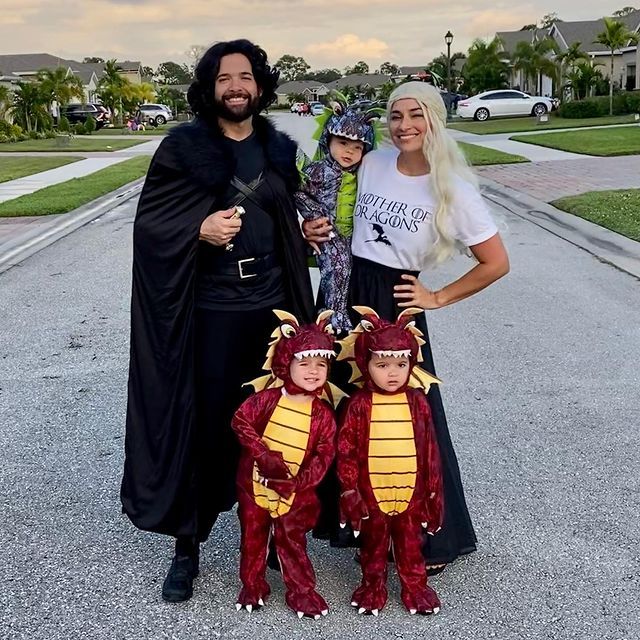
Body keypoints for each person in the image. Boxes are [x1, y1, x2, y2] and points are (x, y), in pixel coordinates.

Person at [120, 39, 315, 604]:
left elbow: (284, 220)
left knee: (281, 424)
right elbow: (150, 228)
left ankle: (278, 531)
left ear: (260, 86)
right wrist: (195, 231)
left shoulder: (278, 150)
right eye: (224, 78)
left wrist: (304, 238)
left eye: (246, 77)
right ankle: (188, 546)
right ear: (209, 89)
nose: (236, 87)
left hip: (273, 310)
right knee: (203, 425)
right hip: (210, 311)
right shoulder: (182, 147)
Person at [303, 81, 510, 572]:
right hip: (344, 292)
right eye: (395, 116)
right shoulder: (372, 162)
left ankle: (427, 537)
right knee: (345, 412)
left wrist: (435, 297)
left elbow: (495, 262)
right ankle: (361, 526)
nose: (404, 126)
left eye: (415, 115)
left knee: (407, 418)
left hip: (395, 303)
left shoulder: (450, 188)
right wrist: (309, 228)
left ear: (435, 119)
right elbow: (325, 199)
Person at [337, 306, 443, 616]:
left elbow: (430, 450)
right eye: (382, 364)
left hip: (410, 491)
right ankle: (372, 587)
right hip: (373, 493)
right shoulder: (358, 404)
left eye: (401, 363)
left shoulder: (418, 402)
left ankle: (416, 587)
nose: (392, 373)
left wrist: (433, 492)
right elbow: (346, 450)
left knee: (411, 545)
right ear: (364, 363)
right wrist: (349, 490)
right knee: (373, 546)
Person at [232, 310, 337, 619]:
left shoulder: (323, 415)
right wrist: (263, 455)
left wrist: (297, 483)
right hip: (254, 486)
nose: (313, 371)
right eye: (304, 363)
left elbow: (324, 456)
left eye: (321, 364)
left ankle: (302, 591)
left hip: (293, 494)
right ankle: (252, 585)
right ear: (286, 362)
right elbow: (240, 421)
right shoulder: (265, 399)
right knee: (253, 537)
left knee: (293, 541)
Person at [295, 95, 379, 333]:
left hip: (355, 236)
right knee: (337, 268)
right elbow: (298, 193)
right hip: (329, 233)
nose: (349, 152)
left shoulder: (364, 173)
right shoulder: (319, 171)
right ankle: (334, 317)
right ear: (328, 139)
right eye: (343, 143)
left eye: (357, 147)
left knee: (352, 273)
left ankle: (349, 315)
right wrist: (312, 215)